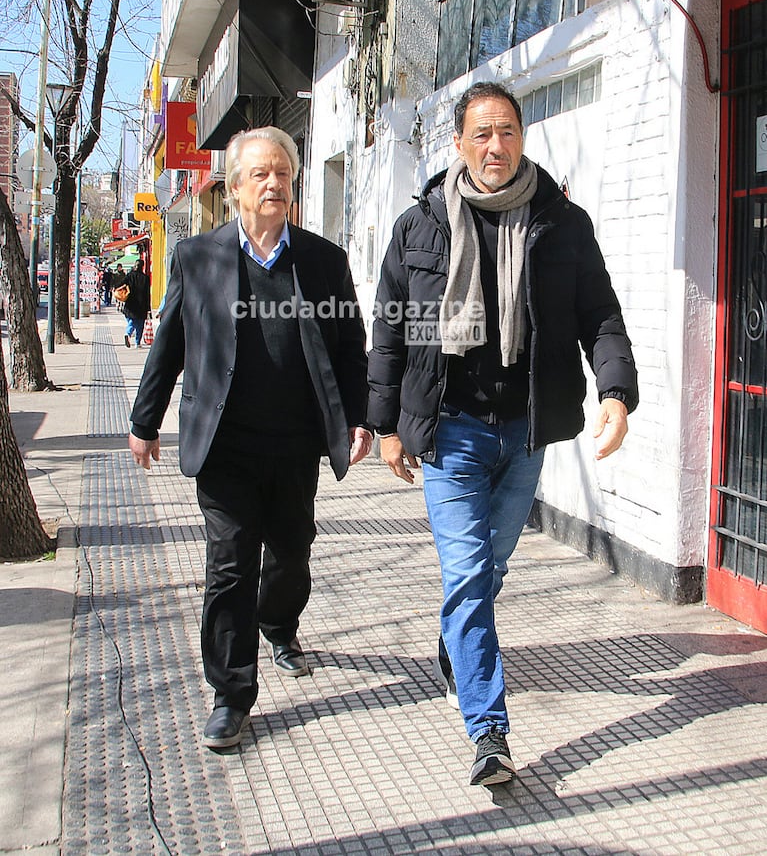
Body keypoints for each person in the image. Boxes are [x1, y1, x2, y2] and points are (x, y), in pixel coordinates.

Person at [367, 82, 638, 786]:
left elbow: (598, 313)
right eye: (481, 133)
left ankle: (453, 641)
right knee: (466, 575)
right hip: (449, 430)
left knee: (487, 572)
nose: (495, 146)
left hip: (524, 431)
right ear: (457, 144)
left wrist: (615, 391)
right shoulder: (419, 224)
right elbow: (390, 327)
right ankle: (488, 731)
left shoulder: (560, 222)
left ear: (522, 138)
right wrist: (385, 421)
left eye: (507, 132)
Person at [128, 126, 372, 750]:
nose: (274, 184)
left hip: (295, 446)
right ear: (233, 188)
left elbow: (350, 347)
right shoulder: (198, 257)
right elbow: (170, 344)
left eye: (283, 174)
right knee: (229, 566)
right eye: (260, 174)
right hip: (226, 446)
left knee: (291, 554)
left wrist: (359, 414)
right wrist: (144, 419)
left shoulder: (323, 260)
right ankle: (231, 694)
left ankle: (279, 623)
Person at [123, 258, 151, 346]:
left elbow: (121, 284)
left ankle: (128, 333)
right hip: (141, 304)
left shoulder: (129, 275)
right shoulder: (145, 278)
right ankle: (137, 342)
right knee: (140, 323)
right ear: (142, 267)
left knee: (132, 320)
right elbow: (147, 294)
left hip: (130, 303)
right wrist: (148, 308)